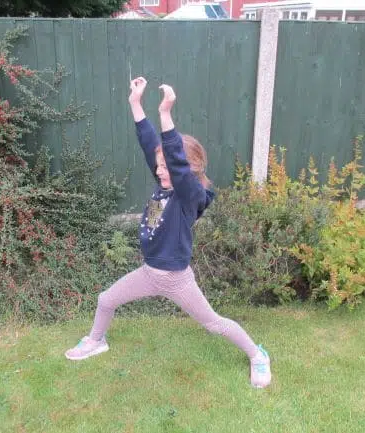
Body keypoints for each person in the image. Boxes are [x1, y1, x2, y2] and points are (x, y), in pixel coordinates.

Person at [65, 77, 272, 388]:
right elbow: (153, 146)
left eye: (166, 167)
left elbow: (174, 161)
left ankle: (258, 356)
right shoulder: (165, 182)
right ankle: (96, 340)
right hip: (149, 273)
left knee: (213, 324)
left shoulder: (188, 196)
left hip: (176, 280)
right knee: (106, 300)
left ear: (187, 170)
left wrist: (165, 114)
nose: (159, 170)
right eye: (159, 166)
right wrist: (135, 103)